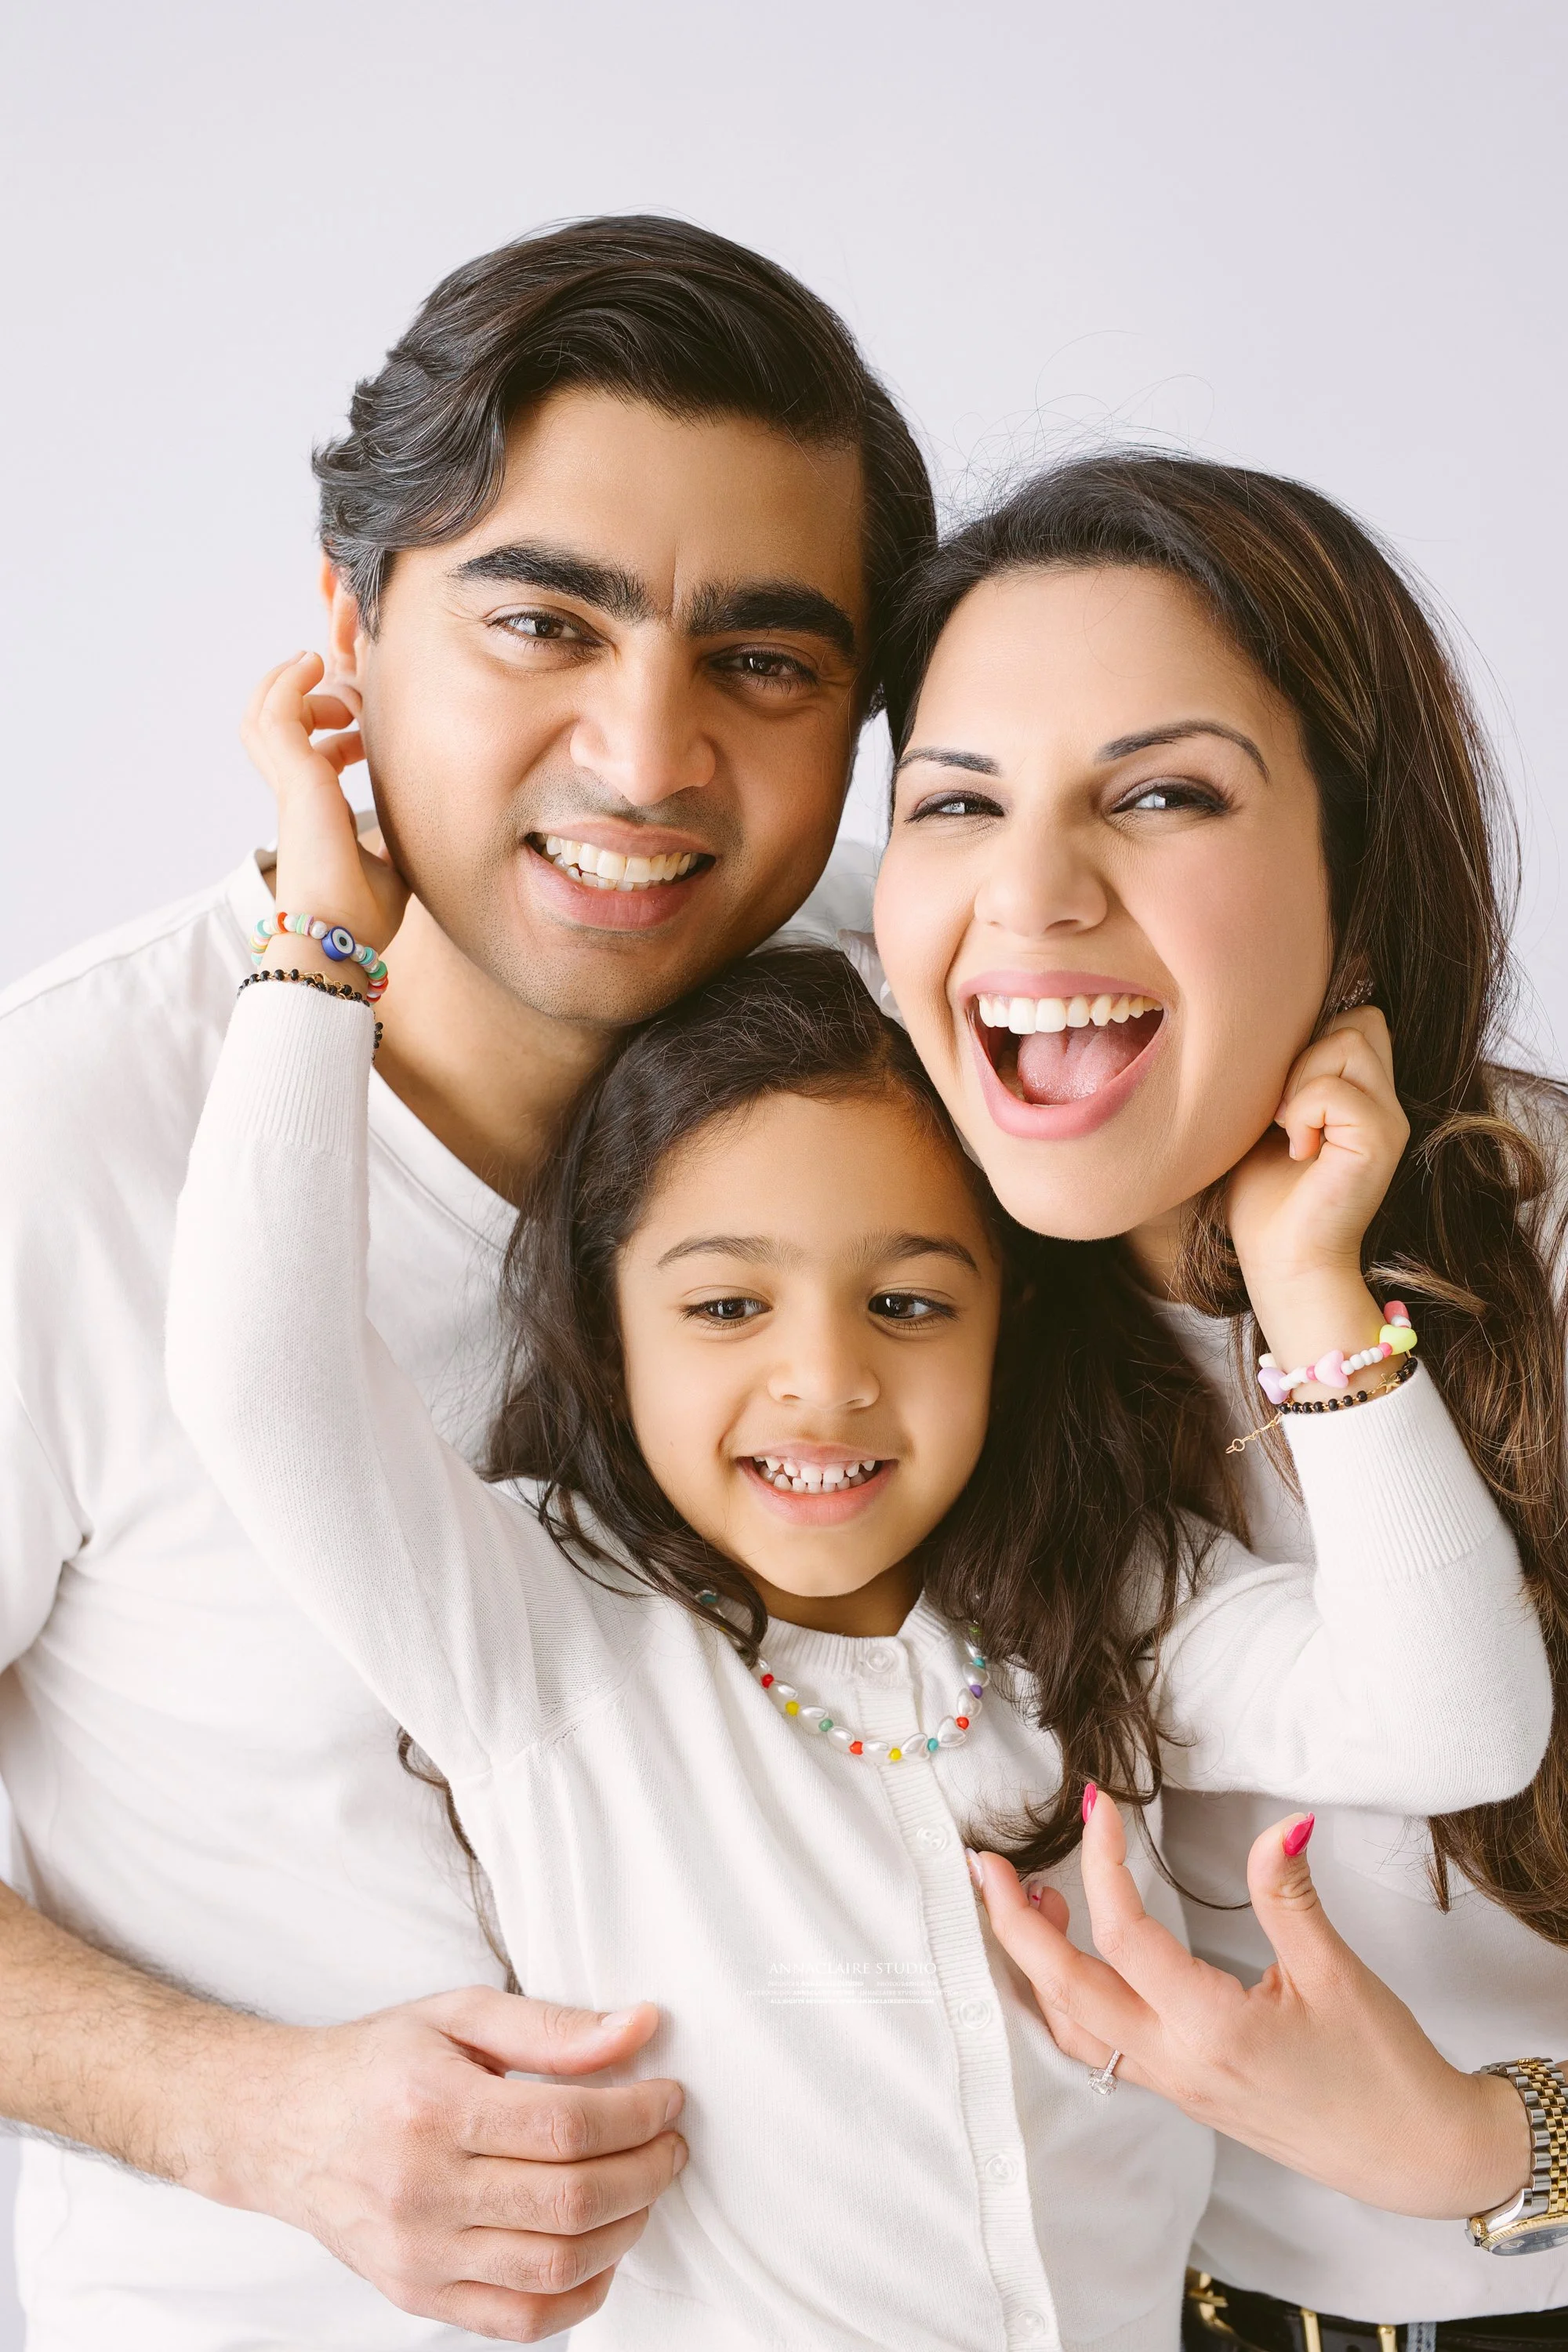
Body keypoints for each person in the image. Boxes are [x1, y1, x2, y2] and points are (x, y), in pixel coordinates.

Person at [162, 638, 1544, 2349]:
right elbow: (258, 1379)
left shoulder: (1097, 1608)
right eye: (726, 1305)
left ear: (1004, 1321)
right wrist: (322, 943)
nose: (823, 1382)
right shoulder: (544, 1636)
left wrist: (1319, 1294)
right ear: (609, 1326)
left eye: (906, 1302)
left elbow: (1459, 1724)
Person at [0, 213, 934, 2348]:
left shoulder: (933, 1032)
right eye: (543, 623)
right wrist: (255, 2113)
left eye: (765, 663)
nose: (646, 756)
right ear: (348, 625)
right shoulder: (62, 1134)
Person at [869, 454, 1568, 2343]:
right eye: (956, 804)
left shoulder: (1547, 1257)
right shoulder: (886, 1311)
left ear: (1358, 877)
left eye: (1161, 793)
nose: (1030, 894)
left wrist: (1485, 2151)